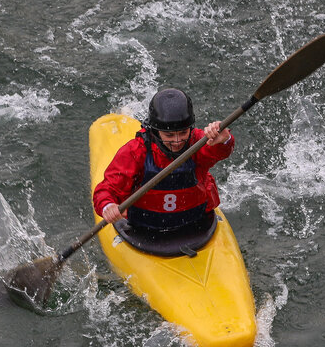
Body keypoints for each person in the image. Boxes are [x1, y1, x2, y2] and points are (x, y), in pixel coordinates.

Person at [92, 88, 234, 244]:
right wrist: (107, 206)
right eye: (169, 135)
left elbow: (219, 152)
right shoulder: (136, 152)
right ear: (155, 131)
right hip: (144, 229)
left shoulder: (199, 141)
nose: (178, 140)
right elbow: (106, 190)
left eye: (183, 132)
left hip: (196, 224)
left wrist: (224, 140)